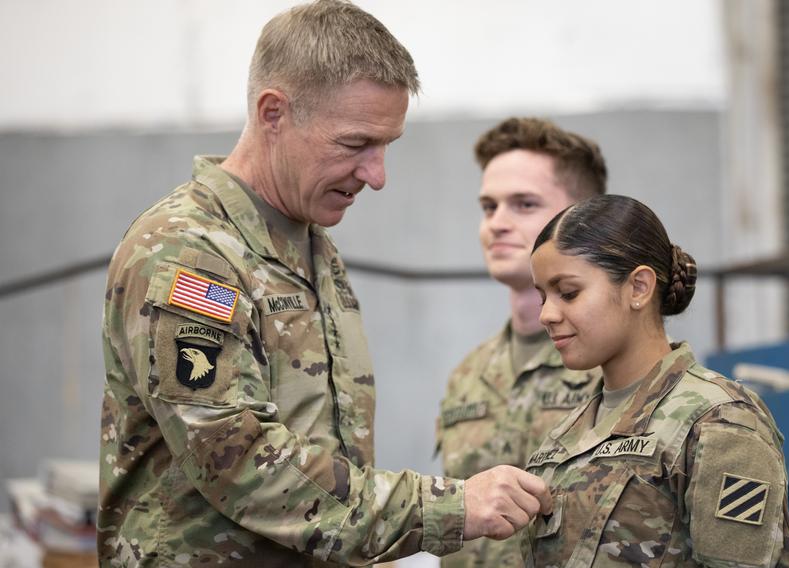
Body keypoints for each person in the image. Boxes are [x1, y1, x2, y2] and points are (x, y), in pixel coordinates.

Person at [97, 2, 551, 566]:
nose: (377, 176)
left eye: (387, 146)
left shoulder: (308, 244)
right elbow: (241, 465)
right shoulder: (188, 253)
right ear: (273, 113)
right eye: (356, 143)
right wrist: (450, 506)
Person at [524, 194, 789, 566]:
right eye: (542, 297)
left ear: (638, 287)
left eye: (568, 293)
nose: (547, 314)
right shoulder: (564, 438)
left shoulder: (719, 421)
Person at [436, 117, 607, 567]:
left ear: (583, 219)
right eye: (489, 207)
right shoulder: (469, 376)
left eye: (524, 204)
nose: (498, 224)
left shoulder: (621, 366)